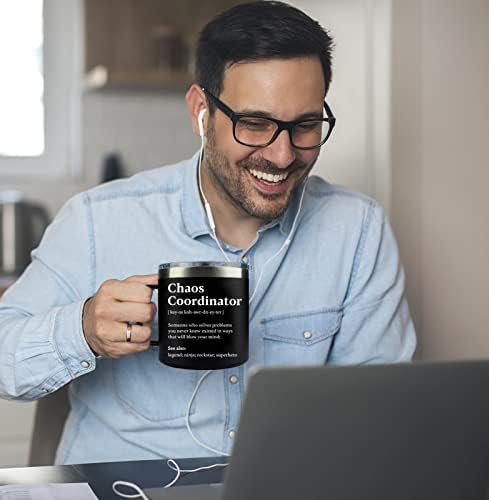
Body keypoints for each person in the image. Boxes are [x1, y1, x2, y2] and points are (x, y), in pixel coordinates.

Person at [0, 1, 415, 465]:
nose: (281, 156)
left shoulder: (357, 230)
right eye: (254, 124)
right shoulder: (97, 220)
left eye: (305, 126)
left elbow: (380, 410)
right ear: (201, 111)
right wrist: (83, 329)